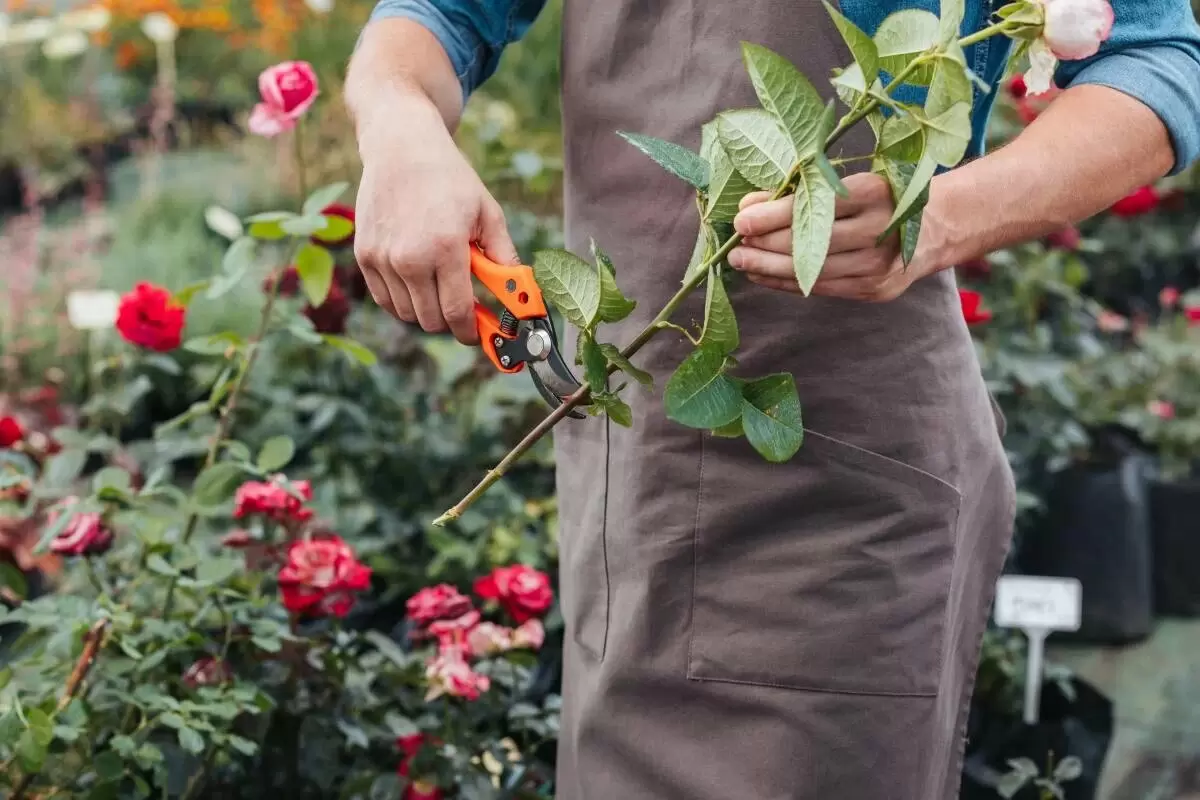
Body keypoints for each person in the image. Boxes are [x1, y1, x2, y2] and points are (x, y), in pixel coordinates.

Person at [346, 1, 1200, 797]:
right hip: (632, 475)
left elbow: (1158, 62)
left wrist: (935, 216)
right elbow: (438, 16)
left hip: (836, 505)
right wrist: (399, 125)